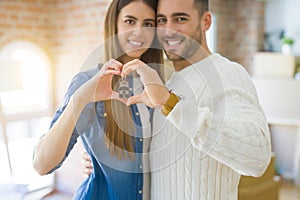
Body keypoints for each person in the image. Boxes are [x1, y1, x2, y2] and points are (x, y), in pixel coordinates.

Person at [83, 0, 272, 199]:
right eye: (162, 20)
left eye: (180, 19)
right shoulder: (169, 81)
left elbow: (257, 157)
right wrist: (98, 161)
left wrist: (171, 104)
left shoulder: (228, 73)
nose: (169, 30)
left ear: (205, 22)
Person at [32, 0, 163, 199]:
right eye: (130, 21)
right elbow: (42, 164)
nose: (139, 31)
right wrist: (80, 99)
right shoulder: (88, 82)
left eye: (147, 24)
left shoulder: (159, 83)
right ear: (114, 25)